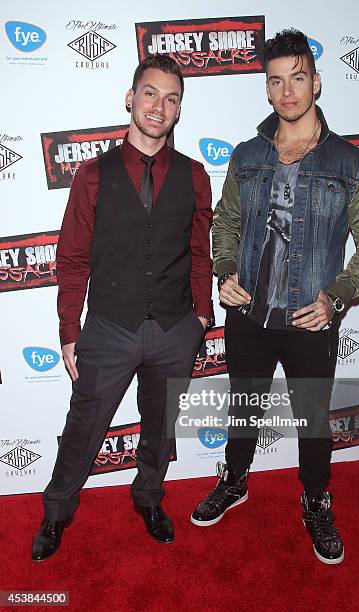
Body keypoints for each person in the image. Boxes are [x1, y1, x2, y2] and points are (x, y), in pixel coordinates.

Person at [190, 29, 359, 565]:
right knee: (243, 406)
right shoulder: (247, 155)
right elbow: (226, 222)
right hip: (250, 313)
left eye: (297, 79)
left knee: (313, 417)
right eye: (276, 81)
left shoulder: (350, 163)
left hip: (310, 319)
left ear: (317, 82)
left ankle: (317, 500)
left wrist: (339, 297)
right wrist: (225, 269)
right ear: (267, 88)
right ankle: (234, 480)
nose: (287, 92)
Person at [32, 54, 213, 561]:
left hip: (176, 327)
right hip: (109, 328)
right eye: (151, 93)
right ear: (131, 98)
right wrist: (70, 330)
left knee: (160, 426)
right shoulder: (93, 175)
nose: (160, 105)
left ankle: (149, 498)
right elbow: (70, 257)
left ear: (179, 110)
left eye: (172, 98)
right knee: (84, 426)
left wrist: (202, 317)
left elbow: (201, 250)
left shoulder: (196, 176)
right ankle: (57, 511)